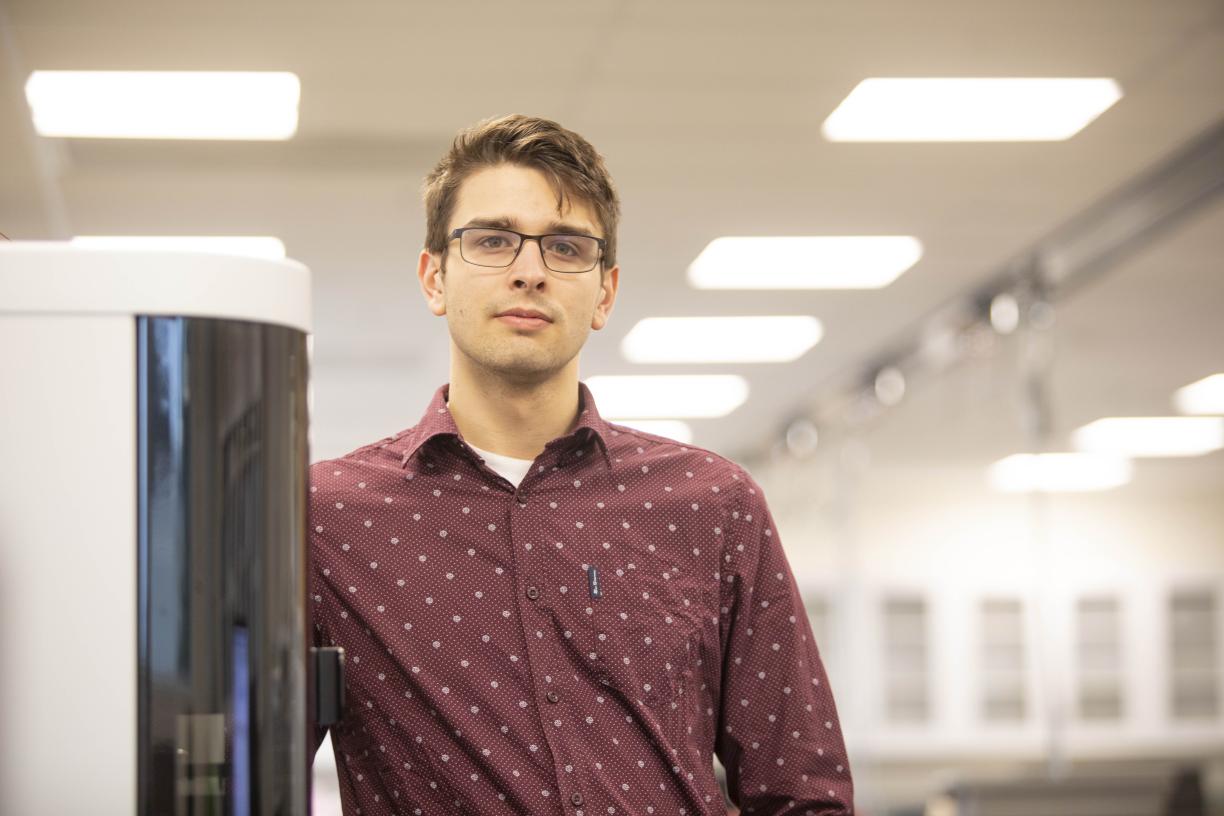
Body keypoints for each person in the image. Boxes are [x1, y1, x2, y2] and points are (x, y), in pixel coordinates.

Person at [308, 114, 854, 816]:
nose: (529, 271)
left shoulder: (712, 505)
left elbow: (802, 792)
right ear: (434, 277)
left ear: (604, 292)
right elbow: (240, 778)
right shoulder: (327, 521)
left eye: (565, 247)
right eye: (493, 240)